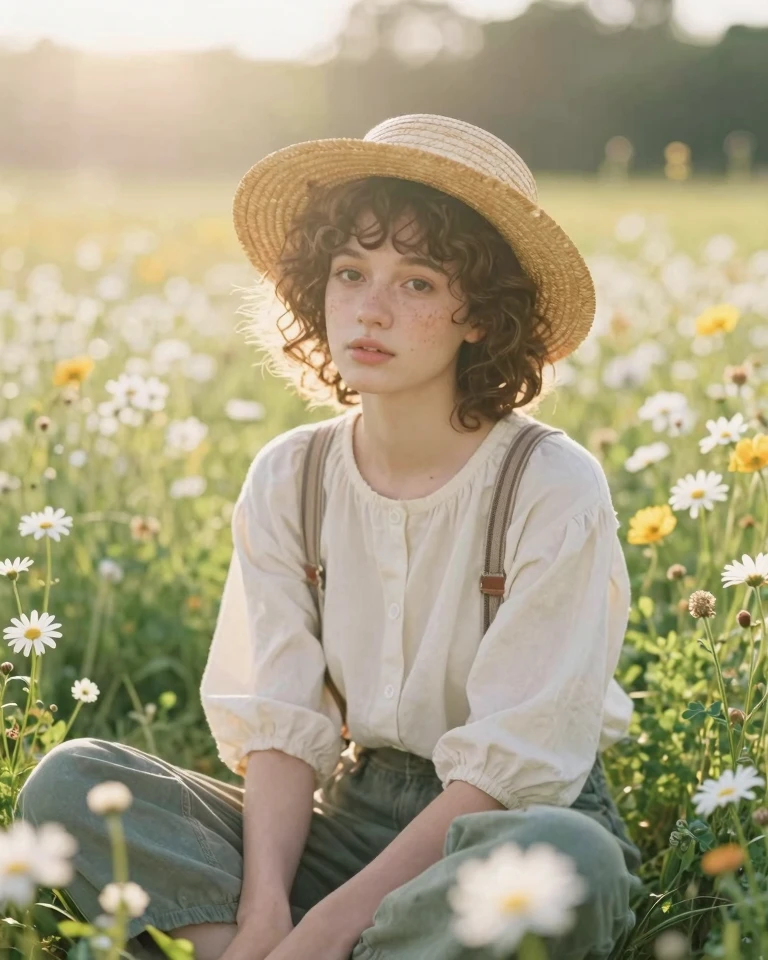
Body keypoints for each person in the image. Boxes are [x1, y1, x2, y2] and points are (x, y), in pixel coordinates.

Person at [18, 114, 643, 960]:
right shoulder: (292, 475)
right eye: (351, 272)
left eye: (417, 283)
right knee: (73, 779)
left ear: (482, 319)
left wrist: (327, 926)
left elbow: (510, 768)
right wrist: (271, 909)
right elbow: (282, 727)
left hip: (497, 830)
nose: (371, 309)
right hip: (345, 819)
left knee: (575, 864)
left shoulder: (549, 485)